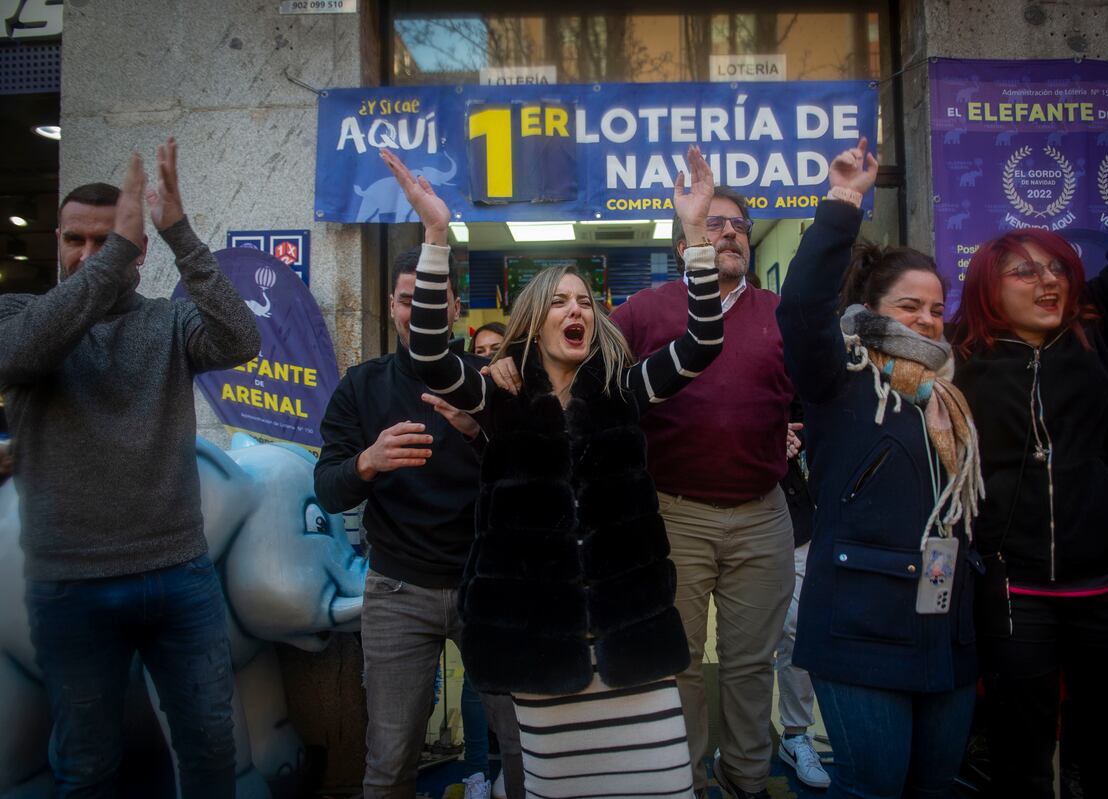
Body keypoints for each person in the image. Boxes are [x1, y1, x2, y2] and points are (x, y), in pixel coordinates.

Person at [386, 143, 723, 798]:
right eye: (561, 301)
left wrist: (695, 235)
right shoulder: (499, 397)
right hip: (544, 655)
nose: (577, 310)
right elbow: (428, 350)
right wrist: (435, 235)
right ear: (535, 320)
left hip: (634, 648)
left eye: (586, 302)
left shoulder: (625, 388)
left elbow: (703, 341)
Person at [0, 140, 261, 797]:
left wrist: (177, 231)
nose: (87, 255)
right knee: (88, 767)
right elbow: (22, 352)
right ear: (56, 241)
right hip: (72, 584)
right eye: (75, 240)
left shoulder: (167, 325)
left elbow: (241, 338)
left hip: (178, 575)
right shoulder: (19, 317)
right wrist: (116, 252)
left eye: (106, 241)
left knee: (210, 749)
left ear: (140, 254)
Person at [951, 139, 1108, 799]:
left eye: (1058, 268)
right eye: (1025, 272)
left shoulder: (1106, 326)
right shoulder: (958, 356)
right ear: (989, 287)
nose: (1049, 281)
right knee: (1019, 754)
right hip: (1013, 595)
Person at [775, 138, 983, 798]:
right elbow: (800, 305)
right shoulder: (839, 374)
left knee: (934, 787)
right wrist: (843, 201)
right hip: (858, 626)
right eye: (909, 305)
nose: (926, 318)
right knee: (872, 788)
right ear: (872, 308)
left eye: (936, 308)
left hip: (944, 625)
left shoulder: (954, 388)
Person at [314, 248, 525, 799]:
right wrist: (368, 461)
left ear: (454, 308)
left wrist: (479, 433)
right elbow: (328, 489)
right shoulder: (362, 387)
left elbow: (529, 480)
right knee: (389, 760)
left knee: (526, 748)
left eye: (432, 299)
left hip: (489, 588)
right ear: (392, 306)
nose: (418, 311)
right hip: (397, 589)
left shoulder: (486, 383)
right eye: (409, 299)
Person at [609, 185, 795, 799]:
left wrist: (798, 435)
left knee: (750, 664)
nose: (730, 233)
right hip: (671, 515)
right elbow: (592, 387)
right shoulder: (644, 310)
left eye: (739, 224)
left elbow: (815, 393)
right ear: (683, 238)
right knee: (678, 661)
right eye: (713, 223)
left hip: (763, 515)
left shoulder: (778, 313)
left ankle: (746, 779)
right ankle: (682, 782)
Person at [772, 411, 831, 790]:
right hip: (717, 496)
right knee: (742, 641)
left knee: (797, 627)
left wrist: (795, 436)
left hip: (792, 507)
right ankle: (739, 741)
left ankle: (794, 734)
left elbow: (814, 404)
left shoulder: (785, 352)